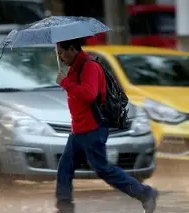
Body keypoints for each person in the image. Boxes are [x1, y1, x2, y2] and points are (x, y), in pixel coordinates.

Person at [55, 37, 158, 213]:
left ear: (72, 48)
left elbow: (89, 94)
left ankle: (146, 193)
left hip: (92, 129)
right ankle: (64, 207)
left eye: (61, 52)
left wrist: (65, 82)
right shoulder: (74, 68)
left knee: (103, 169)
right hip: (78, 130)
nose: (60, 57)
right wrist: (67, 81)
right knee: (65, 168)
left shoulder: (89, 67)